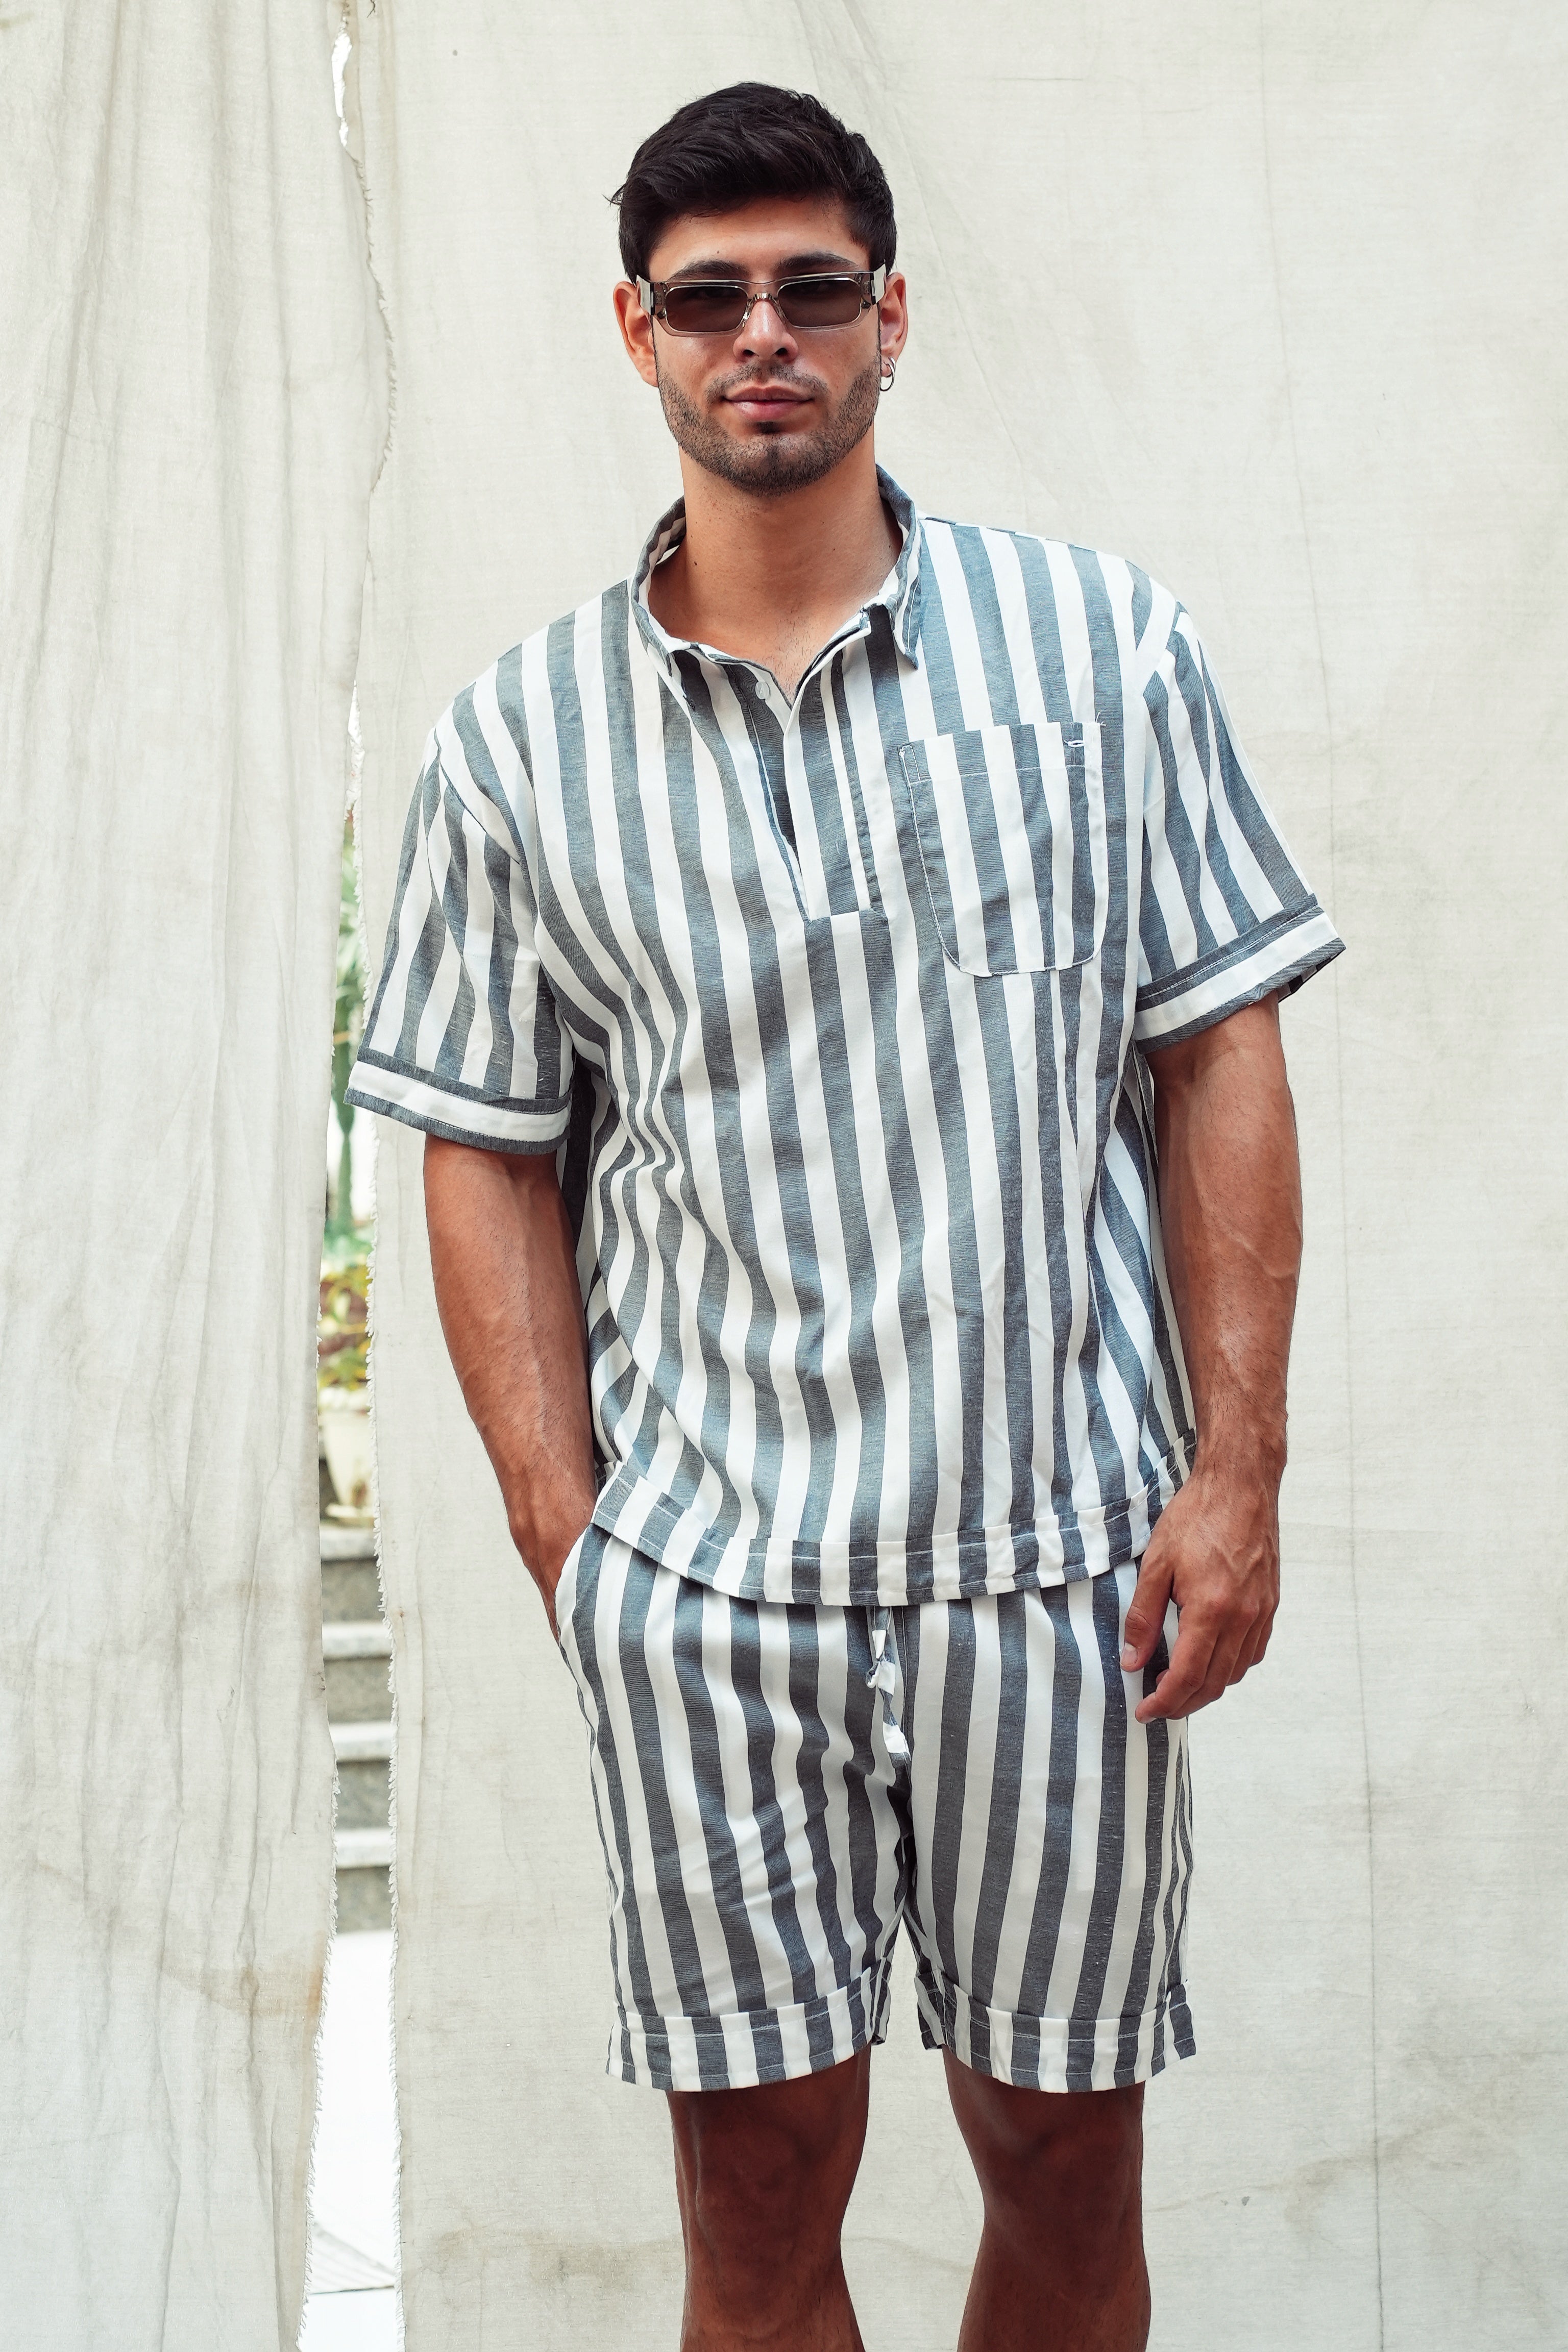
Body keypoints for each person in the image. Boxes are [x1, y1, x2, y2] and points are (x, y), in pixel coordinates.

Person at [347, 80, 1343, 2352]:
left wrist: (1238, 1474)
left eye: (812, 289)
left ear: (893, 315)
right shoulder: (518, 743)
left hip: (1064, 1571)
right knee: (759, 2196)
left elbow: (1221, 1049)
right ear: (638, 333)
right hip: (714, 1588)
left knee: (1067, 2166)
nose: (763, 336)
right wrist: (572, 1536)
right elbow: (482, 1142)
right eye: (709, 299)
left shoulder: (1102, 652)